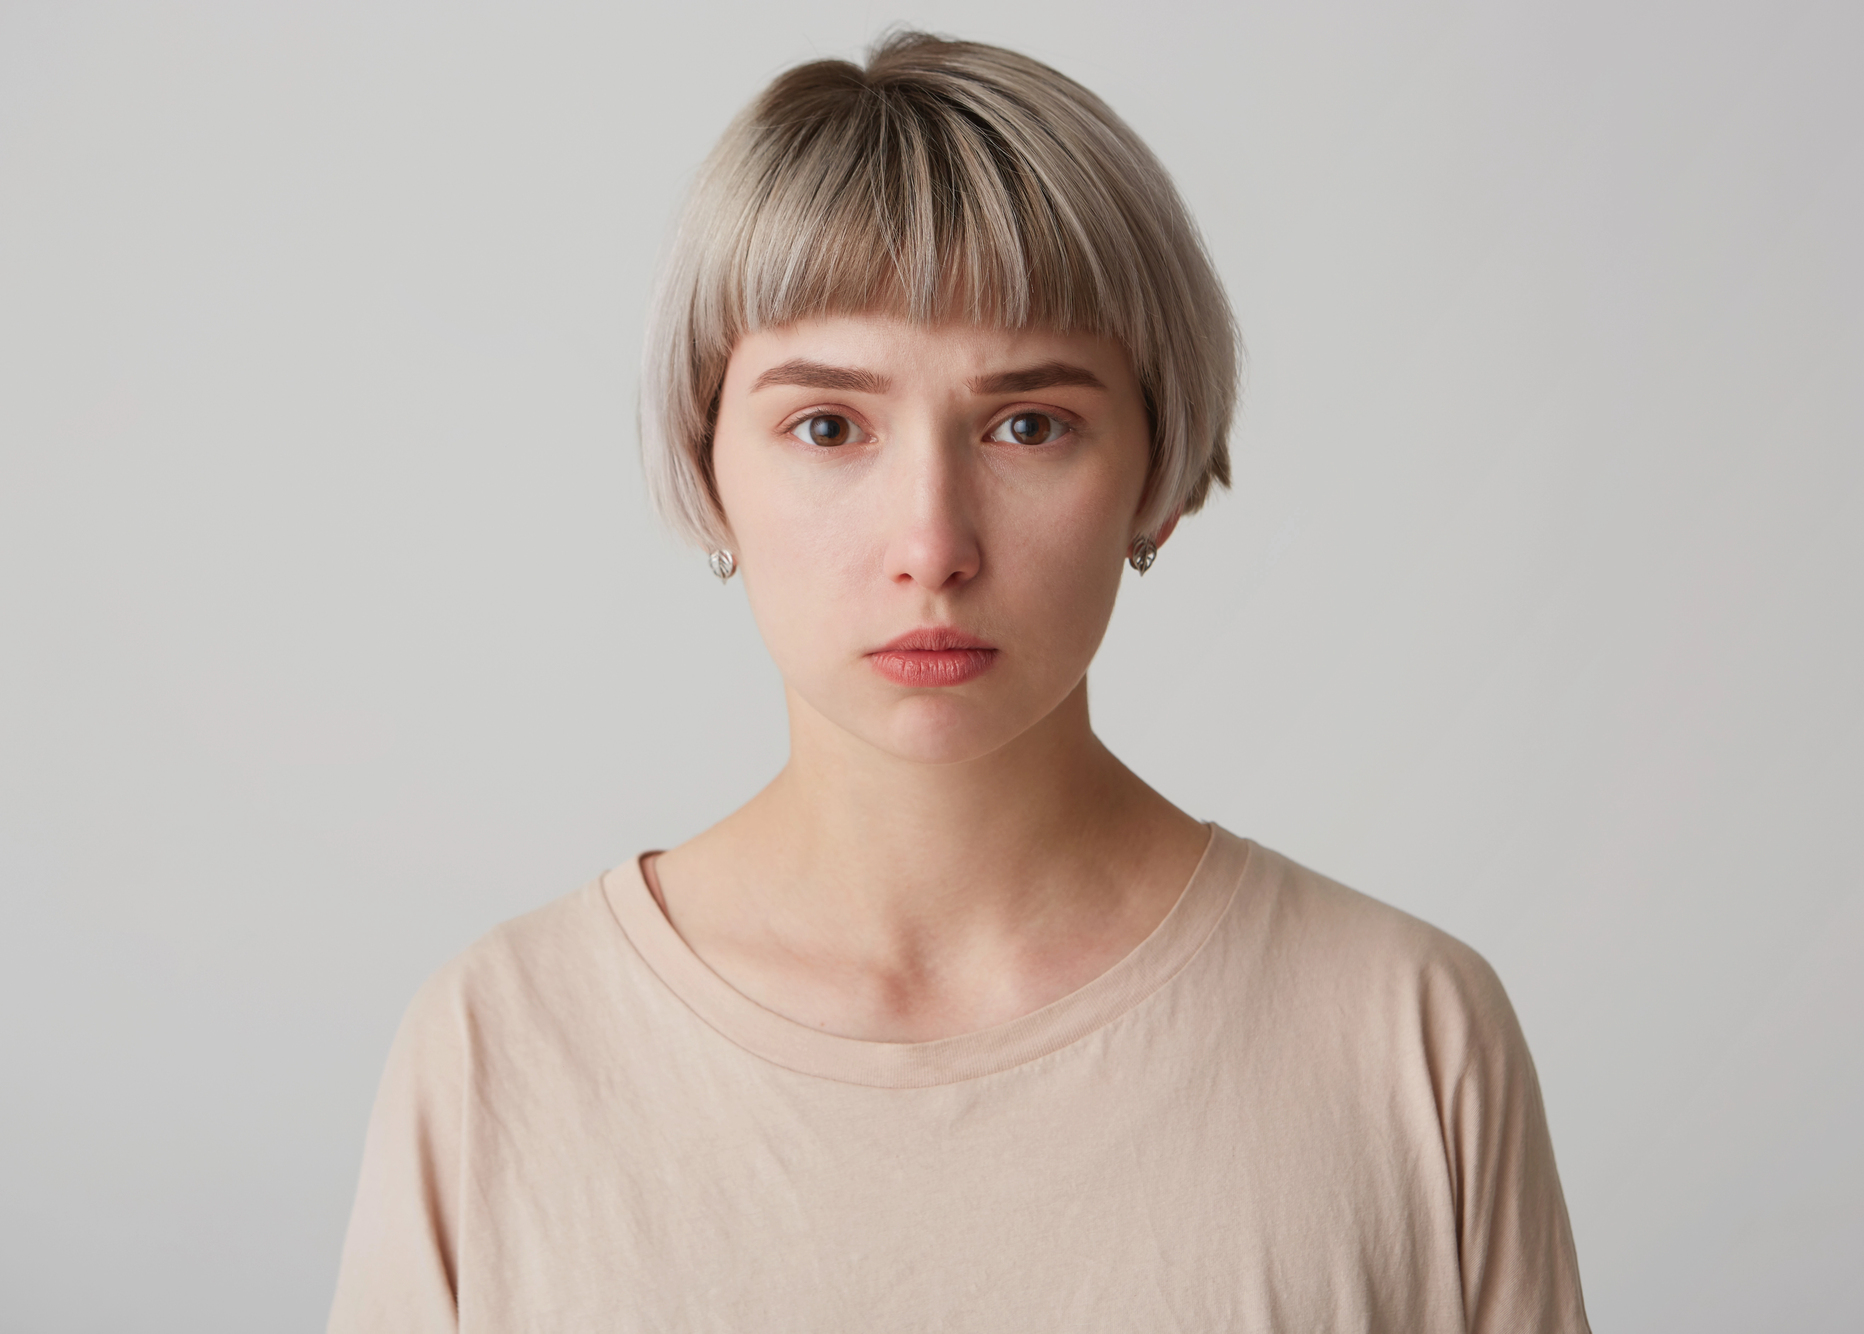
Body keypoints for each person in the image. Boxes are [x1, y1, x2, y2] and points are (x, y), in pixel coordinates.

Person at [329, 32, 1590, 1333]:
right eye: (828, 426)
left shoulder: (1405, 1039)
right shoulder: (500, 1051)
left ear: (1153, 475)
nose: (932, 545)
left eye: (1028, 424)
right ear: (710, 472)